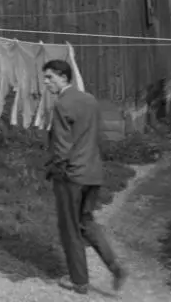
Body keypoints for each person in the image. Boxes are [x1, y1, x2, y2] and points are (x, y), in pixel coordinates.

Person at [42, 58, 128, 295]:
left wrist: (55, 170)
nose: (46, 82)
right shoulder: (90, 100)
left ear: (63, 76)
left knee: (70, 228)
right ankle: (115, 266)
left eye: (49, 77)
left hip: (72, 176)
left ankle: (79, 281)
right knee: (86, 222)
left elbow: (61, 146)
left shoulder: (62, 104)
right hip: (93, 173)